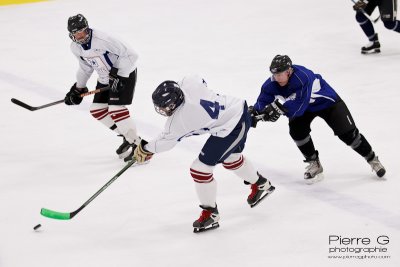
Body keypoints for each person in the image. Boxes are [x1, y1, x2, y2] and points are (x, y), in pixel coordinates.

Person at [131, 75, 275, 233]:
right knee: (230, 158)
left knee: (200, 169)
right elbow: (201, 81)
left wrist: (146, 149)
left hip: (232, 126)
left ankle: (211, 214)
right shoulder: (188, 83)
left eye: (165, 107)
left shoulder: (182, 120)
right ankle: (261, 184)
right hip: (234, 110)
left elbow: (165, 142)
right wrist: (148, 147)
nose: (163, 111)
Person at [250, 55, 386, 184]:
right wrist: (255, 112)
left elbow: (298, 108)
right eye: (274, 74)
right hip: (304, 108)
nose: (277, 78)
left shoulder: (302, 77)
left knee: (348, 135)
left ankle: (372, 159)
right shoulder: (271, 84)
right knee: (297, 131)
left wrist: (278, 109)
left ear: (289, 71)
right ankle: (314, 163)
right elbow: (263, 101)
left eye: (280, 74)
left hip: (328, 104)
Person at [65, 14, 141, 161]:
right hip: (105, 78)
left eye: (82, 30)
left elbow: (132, 55)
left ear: (87, 28)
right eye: (76, 32)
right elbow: (85, 68)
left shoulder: (104, 39)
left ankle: (139, 146)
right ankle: (128, 137)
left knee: (115, 109)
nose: (80, 35)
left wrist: (120, 76)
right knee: (97, 110)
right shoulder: (75, 48)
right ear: (71, 34)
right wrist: (78, 88)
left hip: (125, 74)